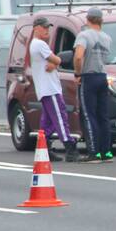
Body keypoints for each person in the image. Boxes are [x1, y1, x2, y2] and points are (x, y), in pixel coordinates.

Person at [29, 16, 79, 162]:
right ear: (36, 28)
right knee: (60, 117)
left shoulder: (34, 44)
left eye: (48, 27)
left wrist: (54, 63)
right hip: (50, 89)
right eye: (44, 27)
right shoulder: (40, 44)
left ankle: (44, 148)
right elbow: (57, 59)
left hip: (45, 89)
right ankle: (70, 147)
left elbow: (52, 62)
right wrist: (56, 61)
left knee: (48, 122)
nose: (47, 30)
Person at [74, 7, 113, 163]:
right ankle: (106, 152)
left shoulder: (83, 35)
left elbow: (78, 56)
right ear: (101, 20)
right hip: (103, 76)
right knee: (103, 115)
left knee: (89, 115)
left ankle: (94, 152)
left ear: (87, 19)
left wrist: (78, 74)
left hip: (88, 77)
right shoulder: (107, 38)